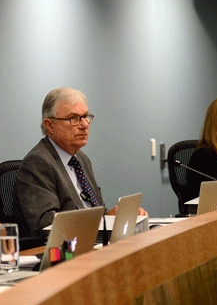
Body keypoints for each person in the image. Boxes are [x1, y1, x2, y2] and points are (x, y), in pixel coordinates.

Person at [15, 88, 147, 237]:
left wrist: (115, 216)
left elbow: (96, 209)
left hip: (94, 242)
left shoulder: (81, 159)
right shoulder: (38, 163)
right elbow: (47, 225)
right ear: (50, 125)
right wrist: (101, 222)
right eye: (74, 118)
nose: (84, 124)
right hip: (65, 252)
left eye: (85, 116)